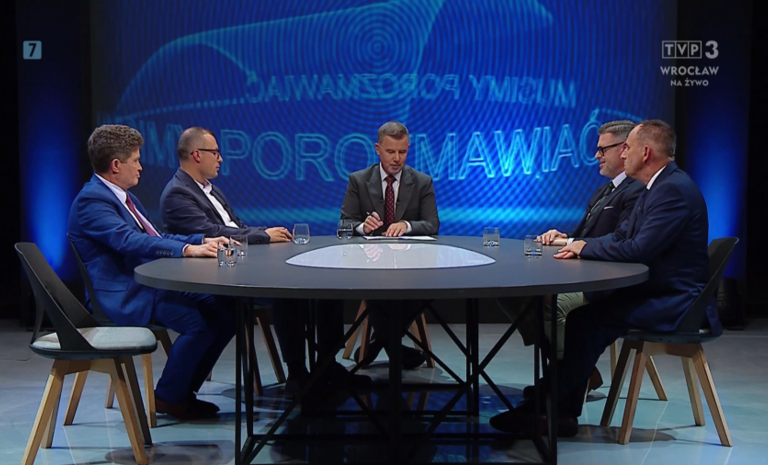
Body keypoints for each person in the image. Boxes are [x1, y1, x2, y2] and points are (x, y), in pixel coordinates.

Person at [490, 120, 717, 437]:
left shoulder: (672, 191)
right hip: (656, 291)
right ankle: (554, 408)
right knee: (582, 319)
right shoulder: (657, 187)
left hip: (674, 301)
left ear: (645, 152)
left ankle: (549, 409)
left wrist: (583, 247)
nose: (624, 155)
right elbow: (622, 237)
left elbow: (638, 249)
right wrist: (578, 244)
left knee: (586, 322)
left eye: (629, 148)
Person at [160, 127, 369, 394]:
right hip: (217, 275)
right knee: (287, 292)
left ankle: (328, 365)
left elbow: (236, 226)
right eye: (216, 152)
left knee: (328, 288)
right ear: (197, 155)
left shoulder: (210, 189)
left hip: (238, 262)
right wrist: (263, 236)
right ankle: (297, 371)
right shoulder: (178, 194)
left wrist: (265, 235)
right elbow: (212, 232)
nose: (221, 159)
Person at [68, 124, 234, 420]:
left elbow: (155, 237)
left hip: (147, 285)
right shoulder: (91, 201)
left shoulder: (123, 198)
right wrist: (186, 250)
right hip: (125, 293)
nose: (141, 167)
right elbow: (129, 241)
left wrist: (201, 241)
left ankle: (182, 392)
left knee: (226, 312)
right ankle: (169, 398)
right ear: (116, 165)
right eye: (136, 160)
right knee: (199, 323)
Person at [529, 120, 643, 391]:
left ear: (624, 149)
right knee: (523, 300)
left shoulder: (637, 190)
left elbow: (620, 240)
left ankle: (565, 380)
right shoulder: (604, 190)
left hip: (608, 283)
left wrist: (571, 242)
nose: (596, 156)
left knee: (552, 302)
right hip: (586, 272)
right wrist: (563, 236)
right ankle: (576, 371)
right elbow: (585, 235)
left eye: (603, 150)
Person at [340, 121, 439, 369]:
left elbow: (432, 225)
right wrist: (363, 227)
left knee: (425, 289)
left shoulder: (422, 181)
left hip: (411, 267)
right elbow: (344, 224)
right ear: (378, 149)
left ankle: (378, 343)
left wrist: (407, 225)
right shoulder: (359, 180)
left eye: (402, 152)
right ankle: (395, 348)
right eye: (391, 151)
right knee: (377, 288)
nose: (397, 158)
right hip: (371, 265)